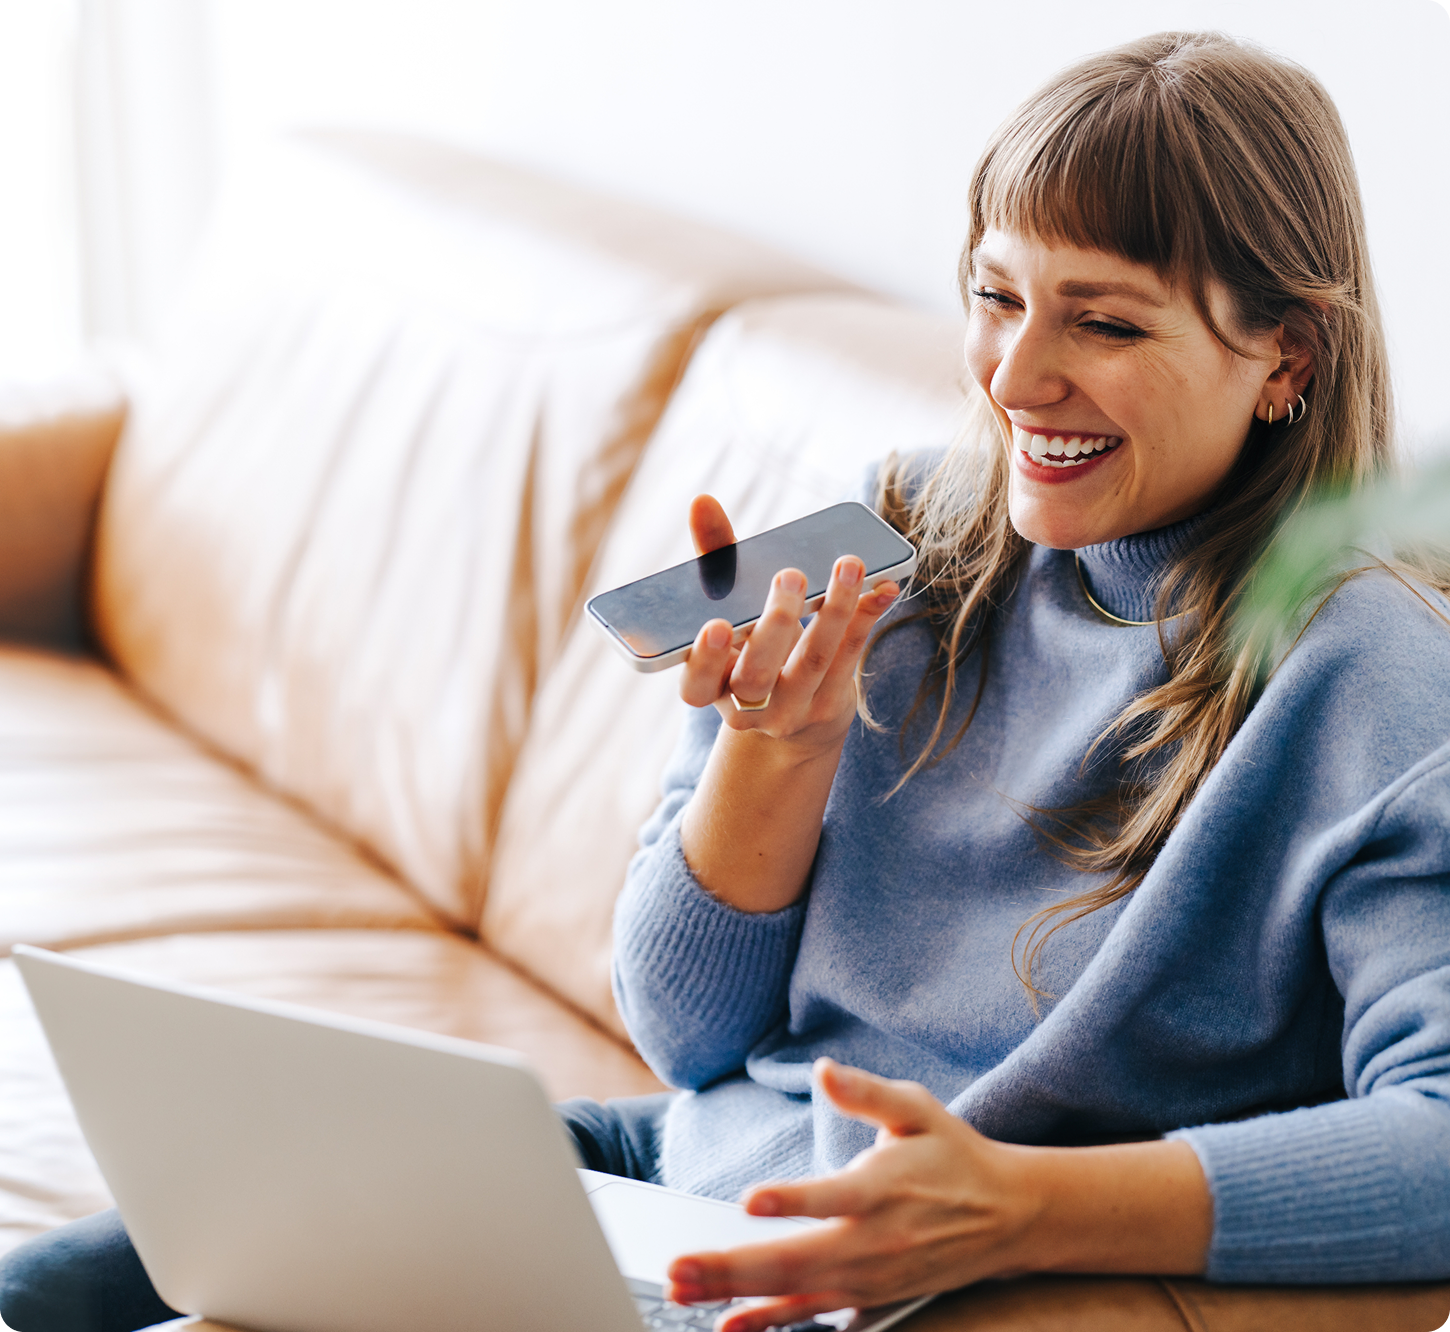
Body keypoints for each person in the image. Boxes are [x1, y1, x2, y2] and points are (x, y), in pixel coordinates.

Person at [5, 28, 1450, 1332]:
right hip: (660, 1174)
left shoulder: (1364, 672)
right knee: (71, 1282)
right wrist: (778, 754)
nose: (1014, 376)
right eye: (994, 296)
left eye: (1105, 322)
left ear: (1285, 358)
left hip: (833, 1278)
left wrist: (1023, 1207)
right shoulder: (895, 529)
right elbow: (686, 1034)